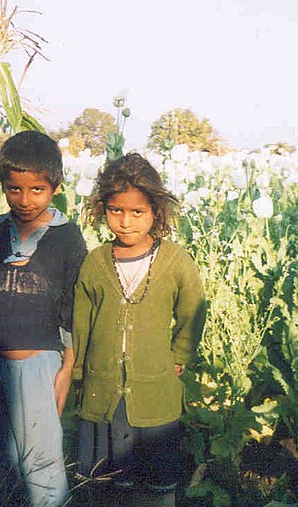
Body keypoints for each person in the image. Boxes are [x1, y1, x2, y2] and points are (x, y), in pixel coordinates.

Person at [72, 153, 207, 506]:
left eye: (137, 212)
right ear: (104, 210)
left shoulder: (176, 260)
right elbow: (81, 321)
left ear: (156, 213)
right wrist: (77, 372)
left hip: (155, 394)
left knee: (156, 486)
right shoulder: (95, 262)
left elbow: (193, 309)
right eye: (116, 211)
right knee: (108, 485)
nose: (126, 222)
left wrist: (180, 356)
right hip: (102, 392)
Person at [0, 130, 87, 506]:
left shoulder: (67, 237)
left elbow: (71, 309)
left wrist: (66, 370)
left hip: (38, 366)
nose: (24, 199)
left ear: (56, 185)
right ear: (3, 185)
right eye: (13, 189)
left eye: (37, 189)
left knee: (41, 459)